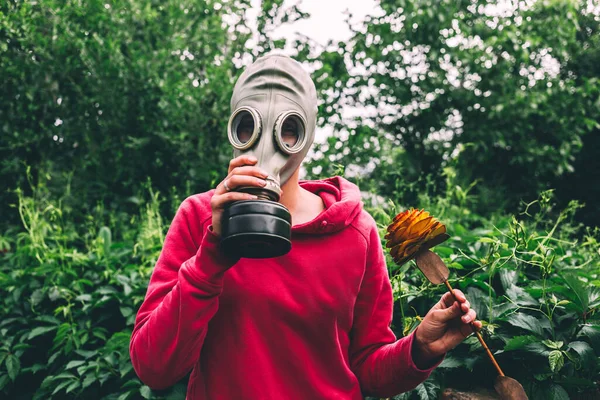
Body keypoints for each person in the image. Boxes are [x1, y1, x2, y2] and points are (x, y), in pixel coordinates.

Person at [129, 53, 482, 399]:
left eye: (287, 129)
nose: (264, 143)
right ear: (234, 129)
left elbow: (368, 368)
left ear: (306, 134)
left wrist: (419, 348)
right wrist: (211, 258)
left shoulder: (356, 232)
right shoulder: (200, 218)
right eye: (248, 126)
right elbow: (154, 367)